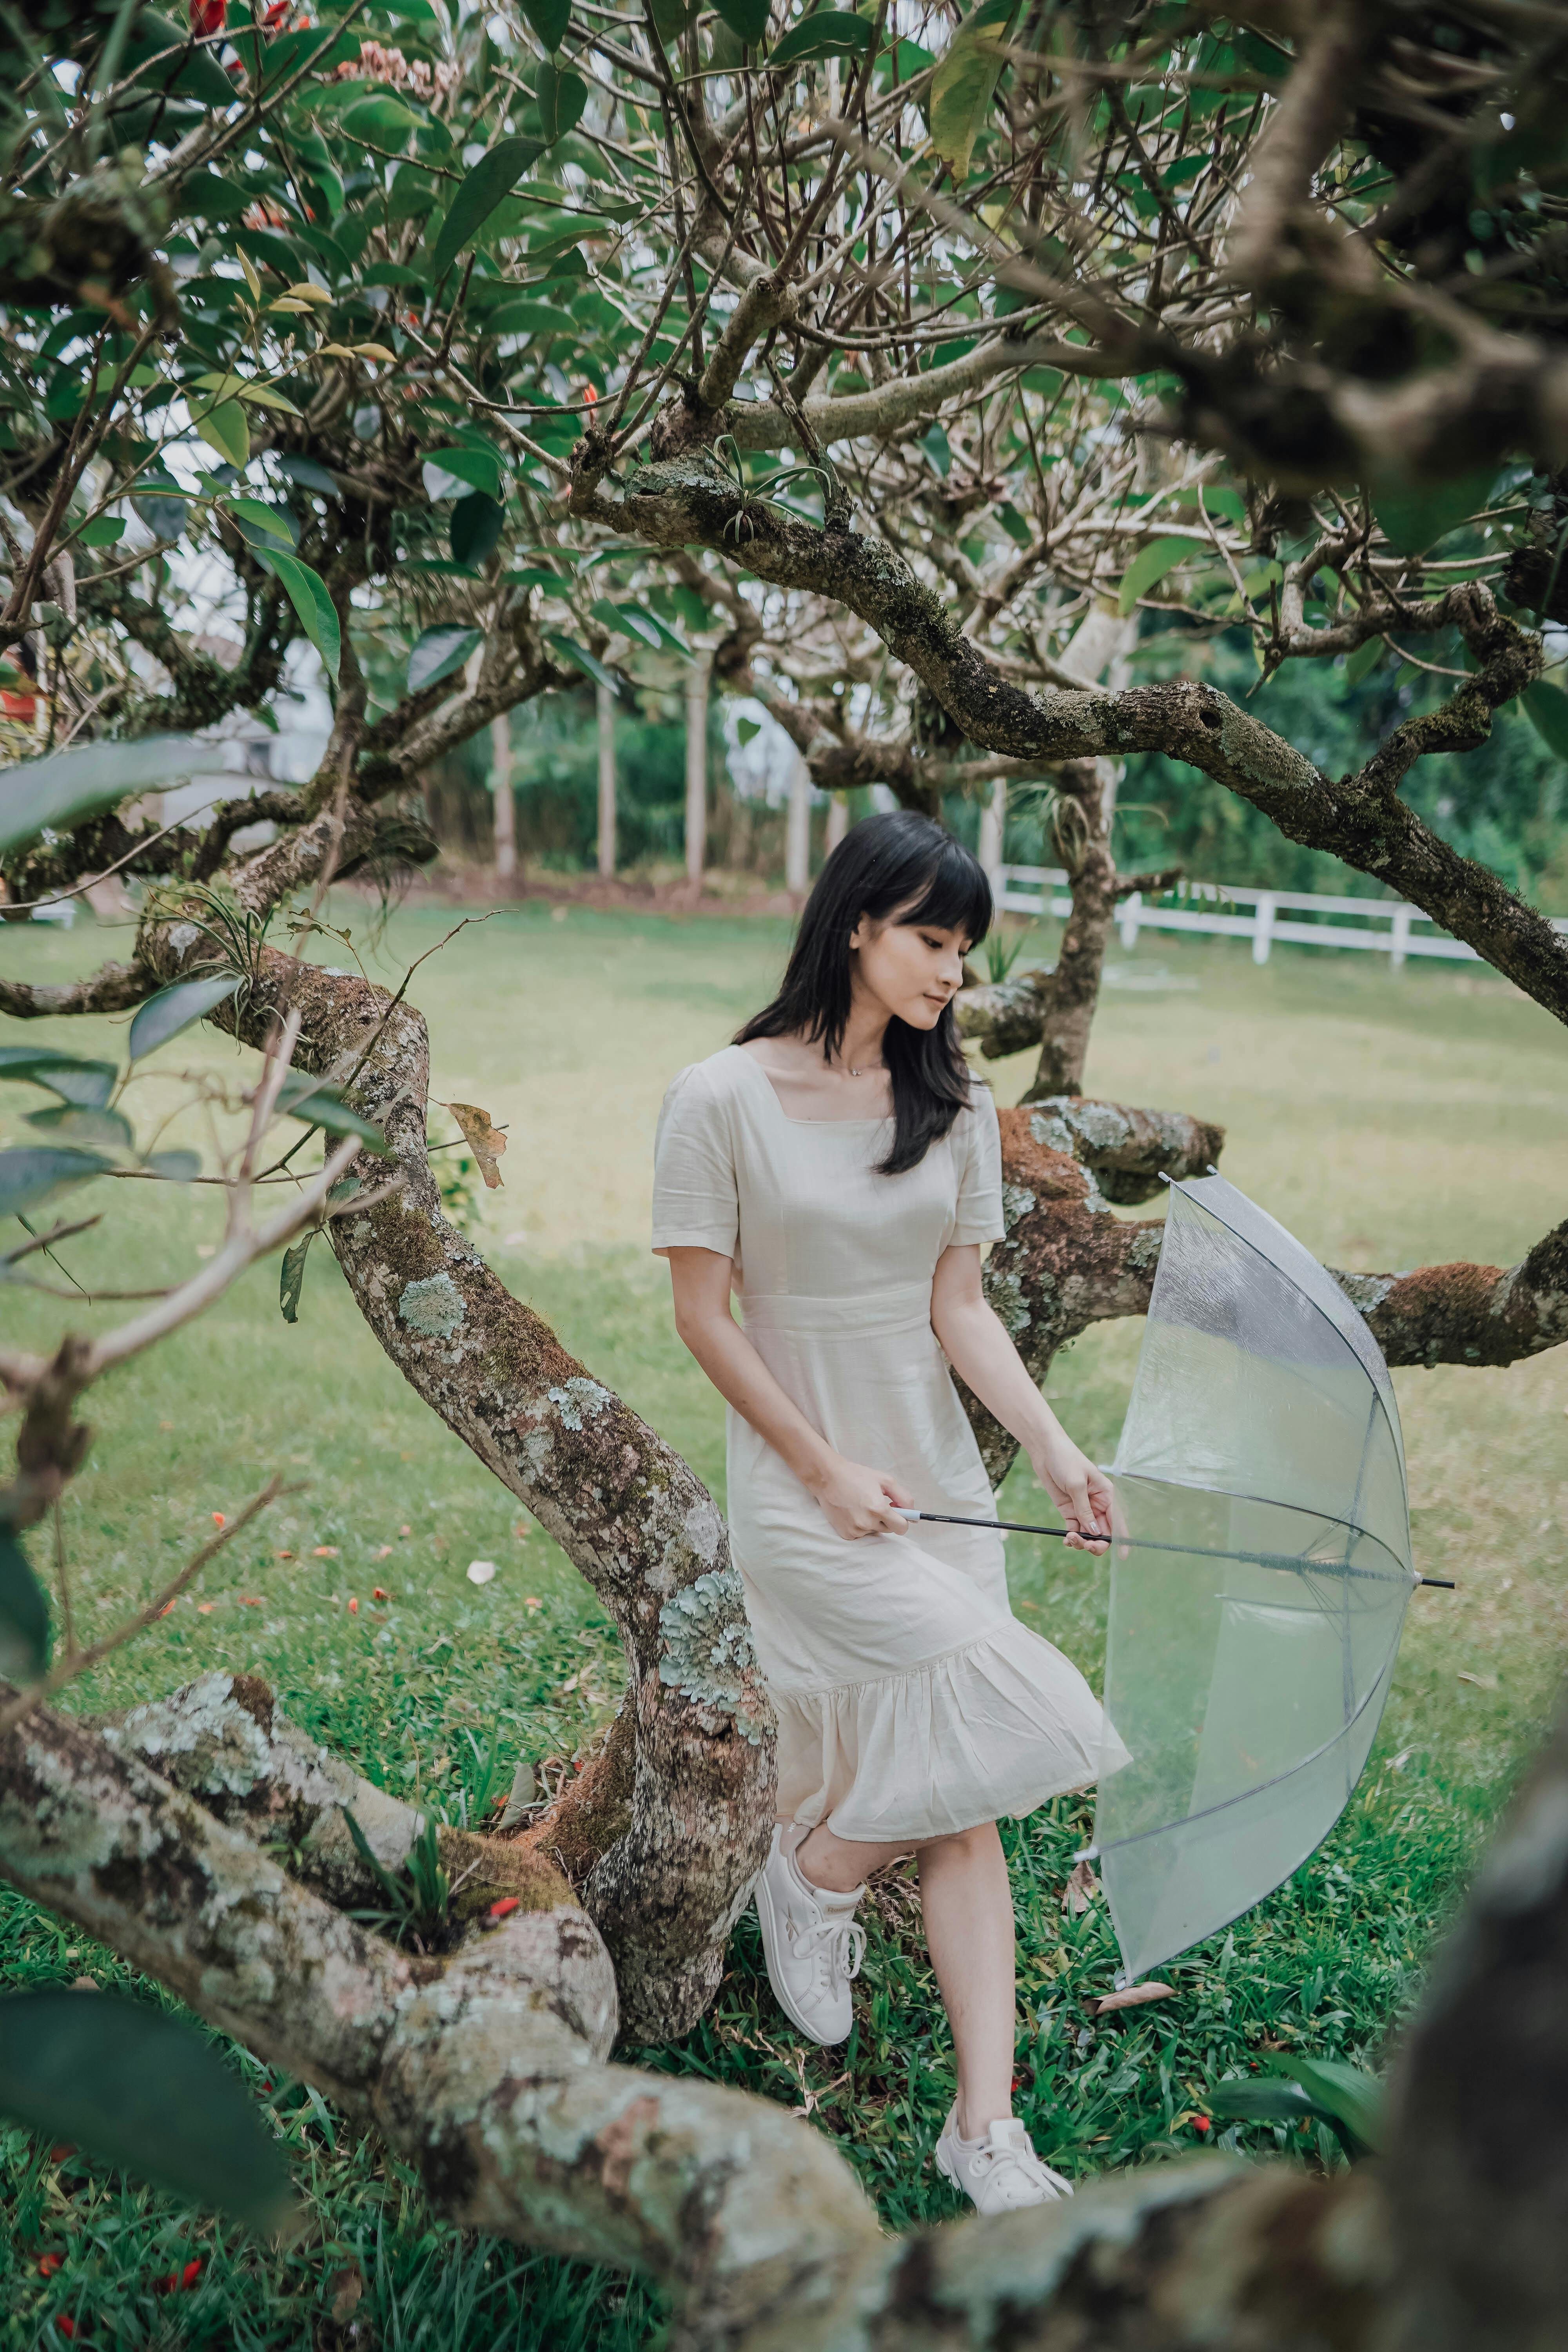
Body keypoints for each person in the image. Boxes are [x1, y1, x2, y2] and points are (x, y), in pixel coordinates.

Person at [651, 809, 1125, 2215]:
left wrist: (1049, 1447)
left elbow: (958, 1305)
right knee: (1008, 1706)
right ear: (856, 921)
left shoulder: (959, 1108)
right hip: (806, 1486)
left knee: (965, 1797)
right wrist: (819, 1469)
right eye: (933, 938)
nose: (953, 973)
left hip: (936, 1481)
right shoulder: (718, 1096)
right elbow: (702, 1315)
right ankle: (823, 1867)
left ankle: (982, 2127)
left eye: (967, 949)